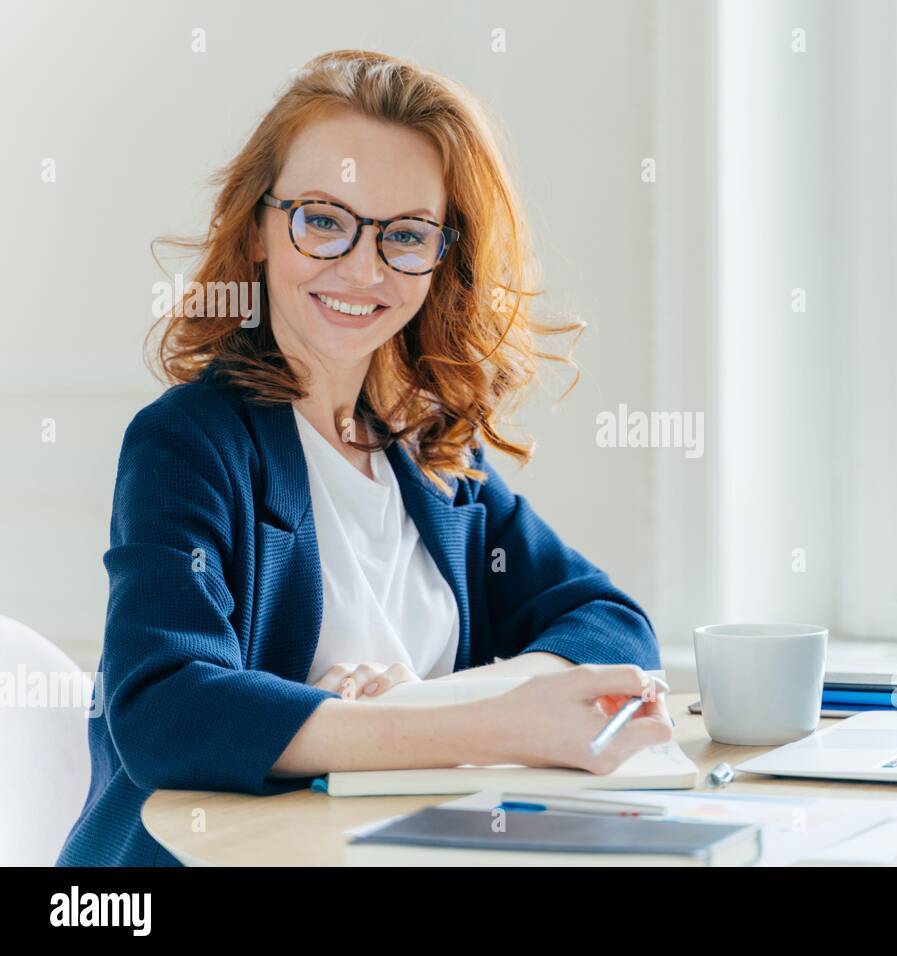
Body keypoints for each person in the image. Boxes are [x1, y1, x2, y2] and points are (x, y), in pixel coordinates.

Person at [57, 50, 670, 867]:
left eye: (406, 235)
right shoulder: (188, 443)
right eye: (322, 218)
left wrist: (445, 700)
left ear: (442, 257)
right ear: (257, 233)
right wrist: (487, 724)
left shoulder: (435, 452)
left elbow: (612, 622)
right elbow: (166, 709)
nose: (361, 266)